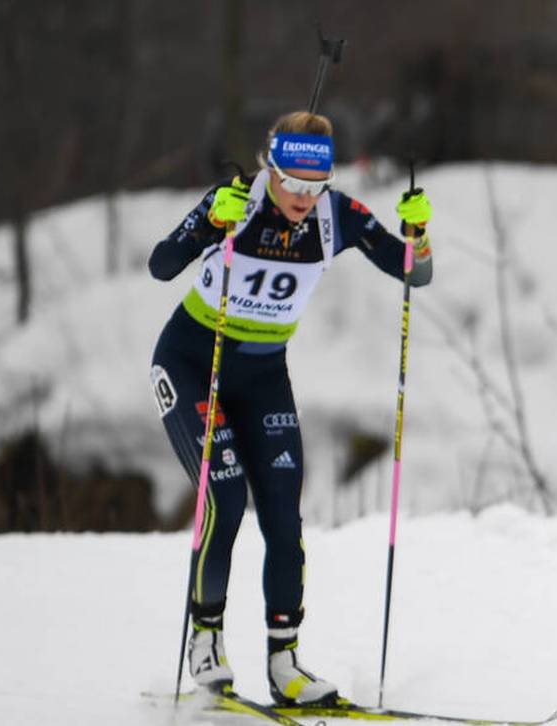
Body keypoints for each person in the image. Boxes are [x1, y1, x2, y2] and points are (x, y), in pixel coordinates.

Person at [147, 110, 433, 706]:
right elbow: (161, 264)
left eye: (315, 185)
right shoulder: (235, 203)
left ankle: (285, 662)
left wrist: (418, 234)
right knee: (225, 498)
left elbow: (414, 273)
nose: (304, 198)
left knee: (284, 516)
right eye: (293, 184)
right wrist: (208, 228)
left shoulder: (336, 216)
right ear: (268, 169)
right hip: (194, 361)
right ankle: (205, 640)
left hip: (263, 375)